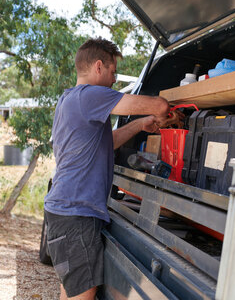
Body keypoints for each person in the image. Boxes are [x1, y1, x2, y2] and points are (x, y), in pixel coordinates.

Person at [44, 37, 173, 300]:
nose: (115, 79)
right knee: (82, 294)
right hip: (76, 217)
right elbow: (160, 105)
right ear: (99, 67)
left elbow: (107, 142)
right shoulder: (90, 95)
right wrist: (161, 111)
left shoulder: (69, 99)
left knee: (72, 289)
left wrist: (140, 125)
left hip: (64, 211)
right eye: (113, 72)